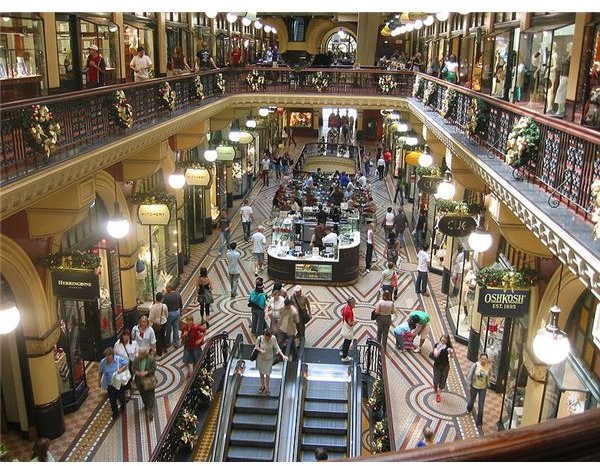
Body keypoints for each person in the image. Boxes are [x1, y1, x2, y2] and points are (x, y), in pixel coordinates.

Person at [254, 328, 287, 395]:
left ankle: (267, 388)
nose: (268, 339)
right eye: (267, 338)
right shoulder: (259, 338)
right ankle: (262, 386)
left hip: (269, 359)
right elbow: (256, 347)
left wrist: (283, 355)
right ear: (264, 335)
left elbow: (277, 347)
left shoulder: (273, 338)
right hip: (261, 358)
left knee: (268, 374)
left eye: (269, 337)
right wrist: (261, 351)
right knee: (261, 373)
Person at [98, 347, 129, 418]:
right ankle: (115, 412)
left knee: (121, 396)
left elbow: (126, 363)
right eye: (107, 356)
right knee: (112, 399)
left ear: (113, 355)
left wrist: (121, 370)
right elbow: (100, 372)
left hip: (118, 383)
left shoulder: (118, 359)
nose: (108, 358)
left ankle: (123, 405)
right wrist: (99, 381)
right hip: (110, 384)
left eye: (109, 356)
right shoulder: (103, 362)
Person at [131, 346, 157, 421]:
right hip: (139, 381)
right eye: (139, 353)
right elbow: (132, 368)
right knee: (143, 394)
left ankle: (151, 411)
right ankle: (146, 404)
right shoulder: (136, 359)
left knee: (151, 395)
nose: (140, 355)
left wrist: (146, 372)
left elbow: (154, 368)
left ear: (145, 353)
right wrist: (136, 372)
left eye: (142, 353)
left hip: (149, 380)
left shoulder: (151, 359)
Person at [466, 353, 491, 427]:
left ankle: (479, 422)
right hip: (474, 386)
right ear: (480, 359)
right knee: (472, 400)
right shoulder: (475, 365)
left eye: (485, 359)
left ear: (487, 360)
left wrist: (488, 382)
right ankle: (469, 408)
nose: (483, 360)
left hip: (483, 388)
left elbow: (488, 375)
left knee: (481, 405)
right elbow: (470, 374)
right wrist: (469, 384)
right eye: (482, 359)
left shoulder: (488, 367)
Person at [113, 329, 139, 400]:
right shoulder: (117, 344)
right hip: (121, 365)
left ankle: (127, 391)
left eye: (128, 335)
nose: (126, 337)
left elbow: (138, 353)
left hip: (130, 364)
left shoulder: (134, 343)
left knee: (128, 378)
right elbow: (114, 355)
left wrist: (134, 356)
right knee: (121, 378)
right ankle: (121, 390)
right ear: (122, 336)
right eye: (125, 335)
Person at [432, 334, 454, 402]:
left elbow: (452, 357)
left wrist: (451, 353)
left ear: (447, 341)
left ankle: (438, 395)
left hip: (445, 366)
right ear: (440, 338)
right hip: (437, 366)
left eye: (445, 339)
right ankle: (435, 385)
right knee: (436, 379)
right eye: (443, 338)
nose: (443, 340)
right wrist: (441, 348)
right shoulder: (437, 345)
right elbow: (436, 354)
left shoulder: (448, 347)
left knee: (443, 380)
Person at [148, 292, 168, 356]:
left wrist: (154, 322)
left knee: (158, 337)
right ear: (162, 299)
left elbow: (150, 318)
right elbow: (166, 315)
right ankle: (165, 348)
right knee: (163, 335)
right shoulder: (164, 306)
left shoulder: (153, 307)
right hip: (164, 322)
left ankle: (159, 352)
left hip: (156, 325)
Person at [163, 283, 183, 348]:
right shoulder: (178, 294)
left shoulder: (166, 296)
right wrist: (181, 312)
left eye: (166, 287)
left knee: (168, 328)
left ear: (170, 288)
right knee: (176, 328)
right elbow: (181, 304)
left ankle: (167, 343)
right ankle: (176, 343)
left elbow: (164, 306)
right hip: (177, 312)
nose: (166, 289)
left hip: (170, 313)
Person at [340, 297, 357, 362]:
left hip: (345, 325)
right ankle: (344, 357)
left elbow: (342, 313)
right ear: (351, 303)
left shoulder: (346, 307)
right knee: (347, 342)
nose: (355, 303)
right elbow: (350, 323)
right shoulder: (349, 311)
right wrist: (354, 322)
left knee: (345, 340)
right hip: (348, 328)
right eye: (354, 302)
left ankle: (342, 352)